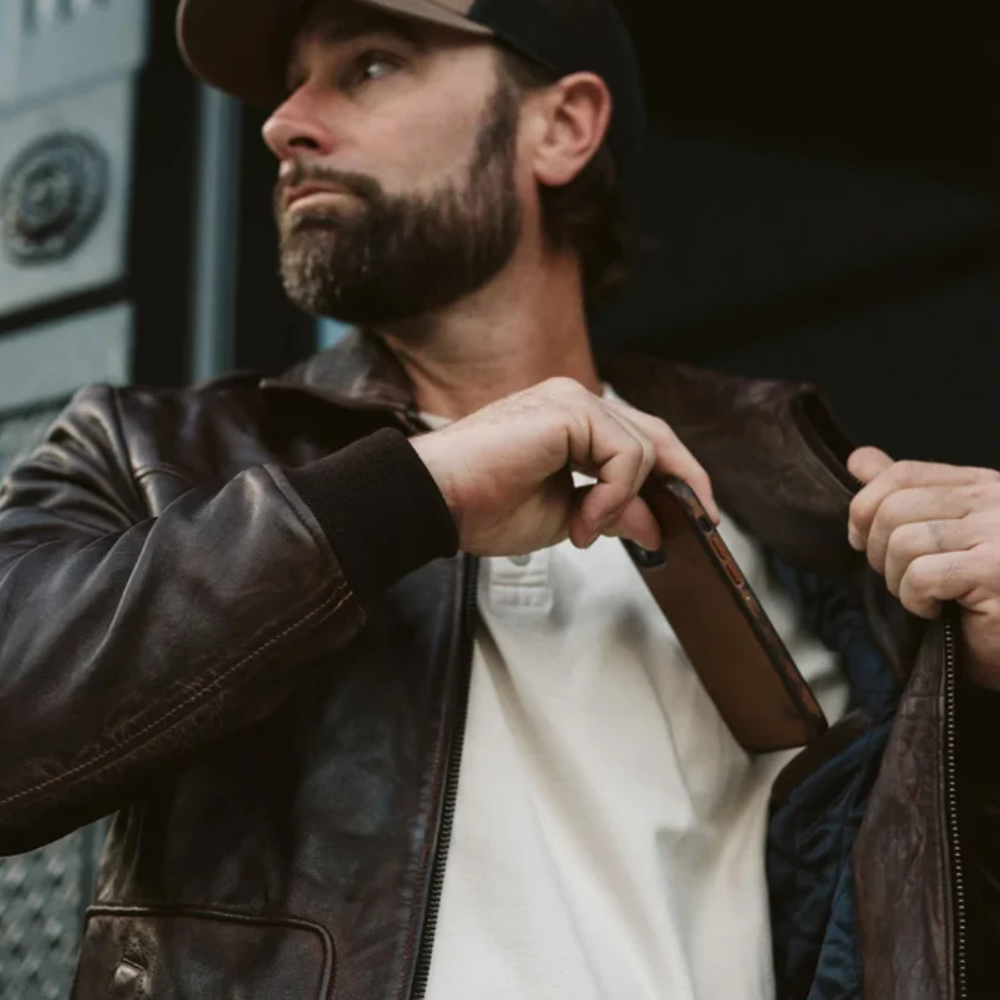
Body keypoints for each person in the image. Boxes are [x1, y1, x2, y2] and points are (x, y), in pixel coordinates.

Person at [0, 0, 997, 996]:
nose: (281, 121)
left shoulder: (803, 521)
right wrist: (403, 497)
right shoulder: (147, 453)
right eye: (289, 80)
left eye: (371, 66)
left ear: (562, 126)